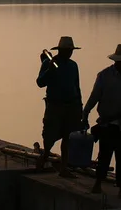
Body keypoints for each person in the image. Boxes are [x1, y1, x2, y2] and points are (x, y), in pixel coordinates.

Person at [82, 44, 121, 200]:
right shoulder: (104, 76)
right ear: (117, 61)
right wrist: (86, 112)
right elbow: (94, 97)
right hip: (107, 124)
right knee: (104, 155)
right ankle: (97, 184)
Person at [35, 36, 83, 178]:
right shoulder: (49, 63)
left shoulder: (73, 65)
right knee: (49, 135)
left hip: (71, 105)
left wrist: (80, 107)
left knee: (68, 137)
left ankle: (64, 168)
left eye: (70, 51)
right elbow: (40, 82)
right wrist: (49, 70)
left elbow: (77, 86)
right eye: (67, 50)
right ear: (60, 50)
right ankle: (44, 156)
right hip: (55, 105)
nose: (69, 53)